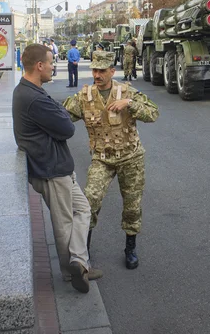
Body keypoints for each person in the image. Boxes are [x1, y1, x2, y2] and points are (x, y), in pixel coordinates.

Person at [12, 43, 102, 293]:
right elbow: (67, 127)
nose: (54, 67)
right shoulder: (33, 98)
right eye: (51, 62)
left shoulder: (28, 91)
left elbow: (60, 119)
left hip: (54, 167)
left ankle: (78, 261)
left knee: (83, 210)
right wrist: (61, 116)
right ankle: (71, 271)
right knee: (64, 222)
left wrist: (60, 115)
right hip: (51, 170)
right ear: (39, 66)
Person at [63, 51, 159, 269]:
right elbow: (61, 116)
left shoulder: (126, 92)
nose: (97, 75)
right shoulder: (85, 97)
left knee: (132, 206)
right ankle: (83, 251)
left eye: (102, 71)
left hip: (130, 157)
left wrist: (130, 104)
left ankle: (130, 248)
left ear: (112, 72)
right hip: (102, 159)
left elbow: (153, 113)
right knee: (89, 202)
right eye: (94, 70)